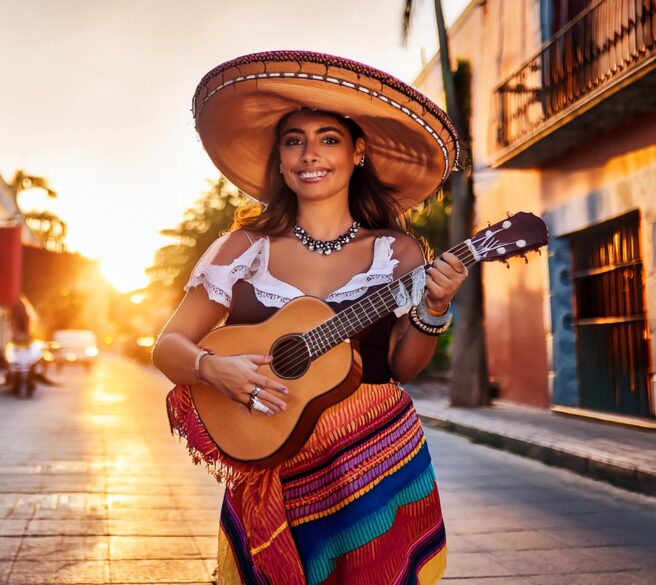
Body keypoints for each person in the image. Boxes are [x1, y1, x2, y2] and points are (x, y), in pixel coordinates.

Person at [153, 51, 467, 585]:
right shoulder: (244, 248)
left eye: (328, 138)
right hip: (274, 452)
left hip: (376, 455)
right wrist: (213, 369)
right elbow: (167, 346)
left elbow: (400, 367)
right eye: (294, 140)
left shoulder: (396, 253)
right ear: (279, 159)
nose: (309, 154)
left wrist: (433, 309)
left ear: (357, 153)